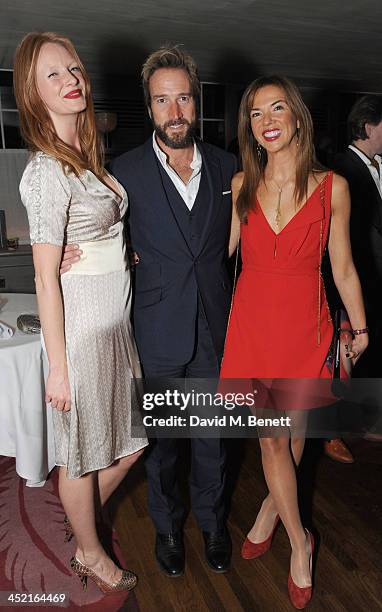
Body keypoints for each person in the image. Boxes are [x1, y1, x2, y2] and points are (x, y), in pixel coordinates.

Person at [61, 46, 236, 576]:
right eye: (163, 101)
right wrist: (69, 250)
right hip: (155, 330)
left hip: (215, 327)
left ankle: (211, 524)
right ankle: (167, 530)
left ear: (195, 100)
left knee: (213, 440)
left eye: (183, 98)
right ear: (150, 106)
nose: (175, 111)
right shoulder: (123, 172)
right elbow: (94, 228)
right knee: (160, 446)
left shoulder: (229, 166)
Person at [221, 75, 368, 609]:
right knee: (271, 438)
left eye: (277, 107)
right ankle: (301, 539)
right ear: (250, 127)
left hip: (306, 326)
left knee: (293, 430)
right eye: (256, 113)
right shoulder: (240, 185)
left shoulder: (334, 187)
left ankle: (269, 511)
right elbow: (215, 256)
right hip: (254, 327)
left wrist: (361, 327)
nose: (267, 120)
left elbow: (344, 267)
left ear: (298, 116)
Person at [14, 32, 148, 594]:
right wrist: (59, 366)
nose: (71, 79)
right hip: (85, 333)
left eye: (74, 68)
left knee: (135, 440)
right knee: (85, 454)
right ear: (32, 93)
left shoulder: (85, 160)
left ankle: (77, 516)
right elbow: (45, 275)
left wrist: (119, 249)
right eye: (53, 74)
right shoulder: (47, 169)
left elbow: (94, 238)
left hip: (118, 326)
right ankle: (90, 551)